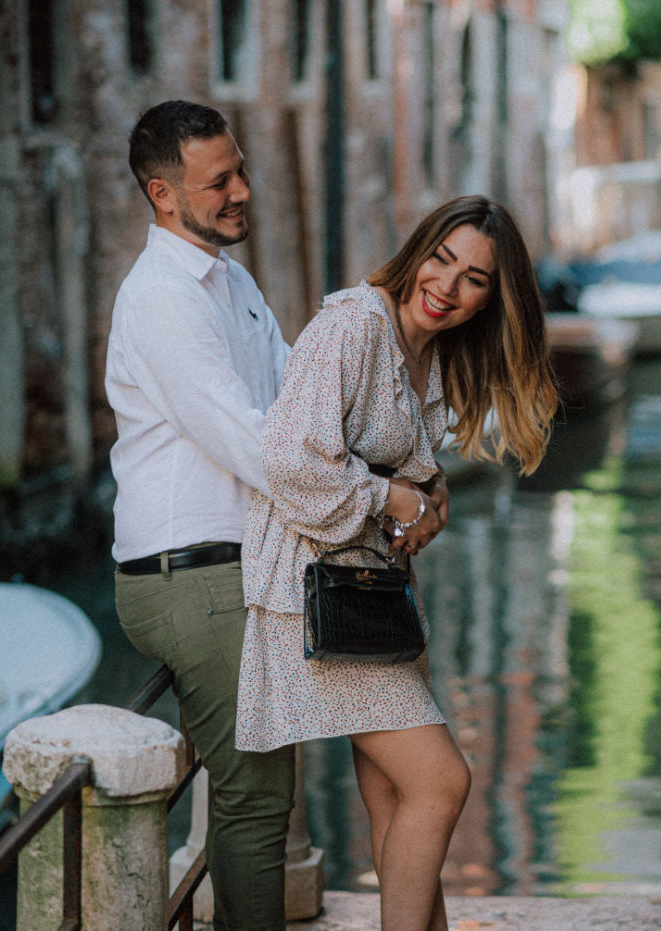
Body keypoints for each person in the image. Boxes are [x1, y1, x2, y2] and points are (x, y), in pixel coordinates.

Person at [236, 195, 558, 930]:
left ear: (490, 298)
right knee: (442, 783)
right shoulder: (354, 325)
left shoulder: (428, 352)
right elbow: (287, 459)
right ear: (419, 249)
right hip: (312, 596)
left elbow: (400, 465)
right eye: (442, 259)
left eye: (475, 278)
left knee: (395, 803)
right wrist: (396, 500)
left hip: (372, 598)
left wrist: (428, 494)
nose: (448, 285)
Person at [105, 100, 295, 931]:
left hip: (229, 566)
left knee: (256, 788)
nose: (242, 191)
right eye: (218, 181)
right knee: (255, 798)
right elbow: (254, 444)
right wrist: (370, 494)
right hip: (192, 576)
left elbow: (297, 400)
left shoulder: (234, 280)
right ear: (163, 194)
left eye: (242, 170)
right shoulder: (161, 299)